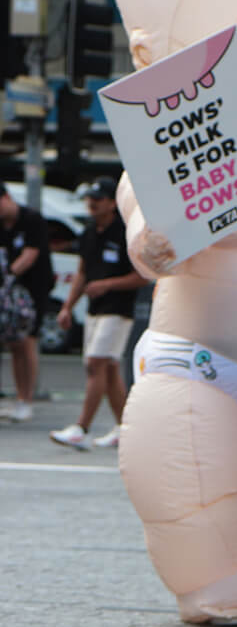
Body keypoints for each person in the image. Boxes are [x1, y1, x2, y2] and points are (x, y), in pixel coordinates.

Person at [50, 177, 146, 449]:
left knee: (95, 363)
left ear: (112, 203)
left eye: (98, 198)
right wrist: (68, 306)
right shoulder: (89, 232)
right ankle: (125, 428)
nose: (91, 203)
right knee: (110, 368)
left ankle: (82, 427)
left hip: (118, 309)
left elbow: (141, 276)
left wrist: (107, 285)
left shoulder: (125, 231)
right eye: (89, 198)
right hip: (94, 309)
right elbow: (82, 272)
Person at [0, 183, 55, 422]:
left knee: (27, 341)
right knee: (13, 343)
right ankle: (18, 397)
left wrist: (9, 275)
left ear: (7, 198)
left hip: (33, 288)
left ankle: (26, 398)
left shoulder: (32, 219)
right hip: (9, 291)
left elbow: (30, 255)